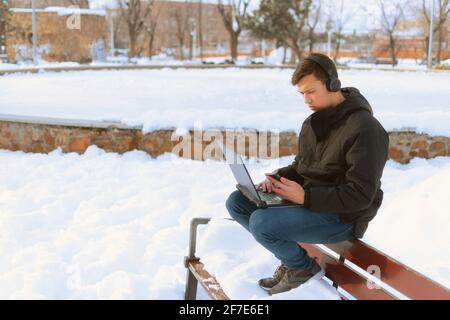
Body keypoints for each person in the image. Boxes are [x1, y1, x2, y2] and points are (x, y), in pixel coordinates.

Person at [225, 53, 389, 295]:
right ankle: (293, 262)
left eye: (311, 91)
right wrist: (277, 179)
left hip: (344, 218)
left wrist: (306, 197)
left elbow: (360, 195)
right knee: (237, 202)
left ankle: (300, 267)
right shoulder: (313, 123)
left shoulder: (366, 129)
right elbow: (302, 167)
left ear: (333, 84)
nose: (306, 100)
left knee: (262, 223)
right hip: (312, 205)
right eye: (301, 93)